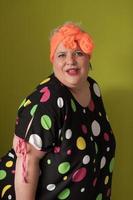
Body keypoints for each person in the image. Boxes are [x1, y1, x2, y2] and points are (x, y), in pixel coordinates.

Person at [0, 22, 116, 200]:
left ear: (88, 57)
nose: (71, 61)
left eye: (78, 53)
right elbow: (27, 163)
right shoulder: (47, 101)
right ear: (53, 59)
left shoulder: (92, 88)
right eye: (62, 55)